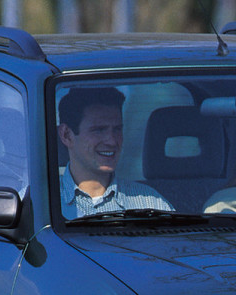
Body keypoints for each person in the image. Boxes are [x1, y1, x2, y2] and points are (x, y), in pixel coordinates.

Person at [57, 86, 173, 218]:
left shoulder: (151, 204)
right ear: (66, 135)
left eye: (117, 129)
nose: (112, 141)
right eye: (99, 130)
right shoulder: (41, 204)